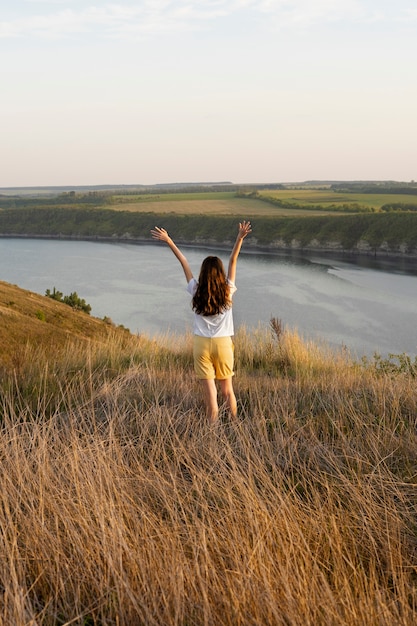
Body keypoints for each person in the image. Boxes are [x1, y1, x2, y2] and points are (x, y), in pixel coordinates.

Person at [151, 221, 252, 424]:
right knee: (227, 391)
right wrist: (239, 238)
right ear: (219, 272)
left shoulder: (195, 289)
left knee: (210, 395)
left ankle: (212, 431)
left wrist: (169, 240)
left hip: (202, 345)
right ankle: (233, 427)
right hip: (223, 344)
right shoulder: (227, 290)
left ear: (203, 272)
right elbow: (233, 261)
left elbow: (183, 261)